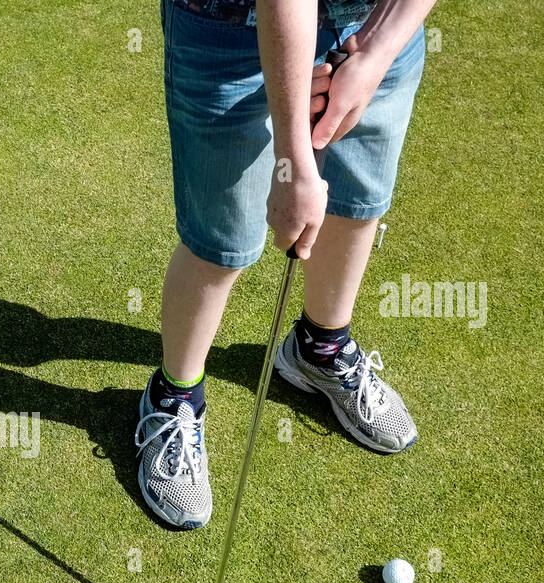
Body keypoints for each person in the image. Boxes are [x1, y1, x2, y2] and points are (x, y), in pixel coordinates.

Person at [136, 0, 435, 529]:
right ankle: (174, 396)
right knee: (221, 239)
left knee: (357, 197)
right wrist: (294, 160)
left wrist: (373, 52)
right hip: (230, 27)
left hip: (377, 19)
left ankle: (321, 350)